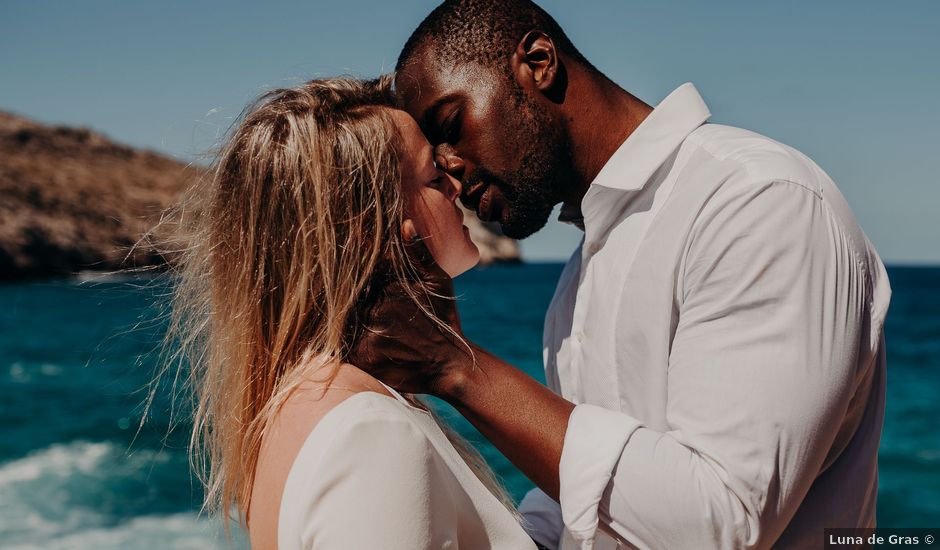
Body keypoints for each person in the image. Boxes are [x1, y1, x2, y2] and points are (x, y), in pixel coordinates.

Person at [348, 1, 892, 548]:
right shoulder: (580, 276)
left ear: (538, 63)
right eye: (434, 156)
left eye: (450, 125)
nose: (450, 168)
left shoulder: (756, 201)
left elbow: (722, 522)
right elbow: (580, 509)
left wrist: (456, 368)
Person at [159, 76, 538, 549]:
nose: (458, 186)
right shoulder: (370, 434)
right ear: (364, 229)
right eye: (435, 178)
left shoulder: (299, 400)